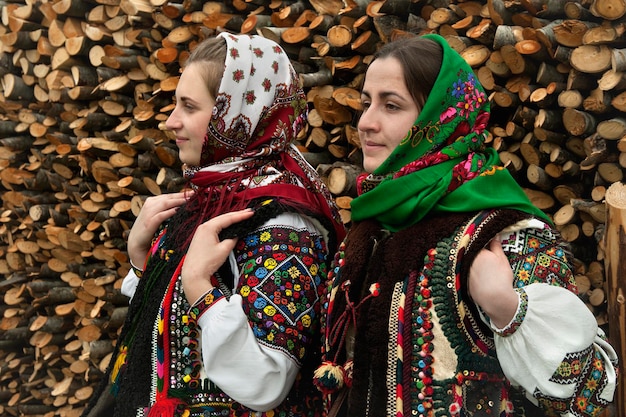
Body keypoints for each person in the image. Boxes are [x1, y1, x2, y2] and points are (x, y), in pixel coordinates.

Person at [313, 34, 618, 417]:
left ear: (441, 119)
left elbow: (587, 392)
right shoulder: (368, 228)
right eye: (366, 103)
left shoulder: (506, 234)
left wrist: (507, 308)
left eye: (391, 106)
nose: (366, 123)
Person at [81, 32, 345, 417]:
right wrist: (142, 260)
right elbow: (167, 330)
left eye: (189, 107)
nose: (171, 122)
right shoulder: (212, 197)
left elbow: (266, 381)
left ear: (236, 114)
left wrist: (200, 287)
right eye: (176, 105)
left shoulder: (285, 225)